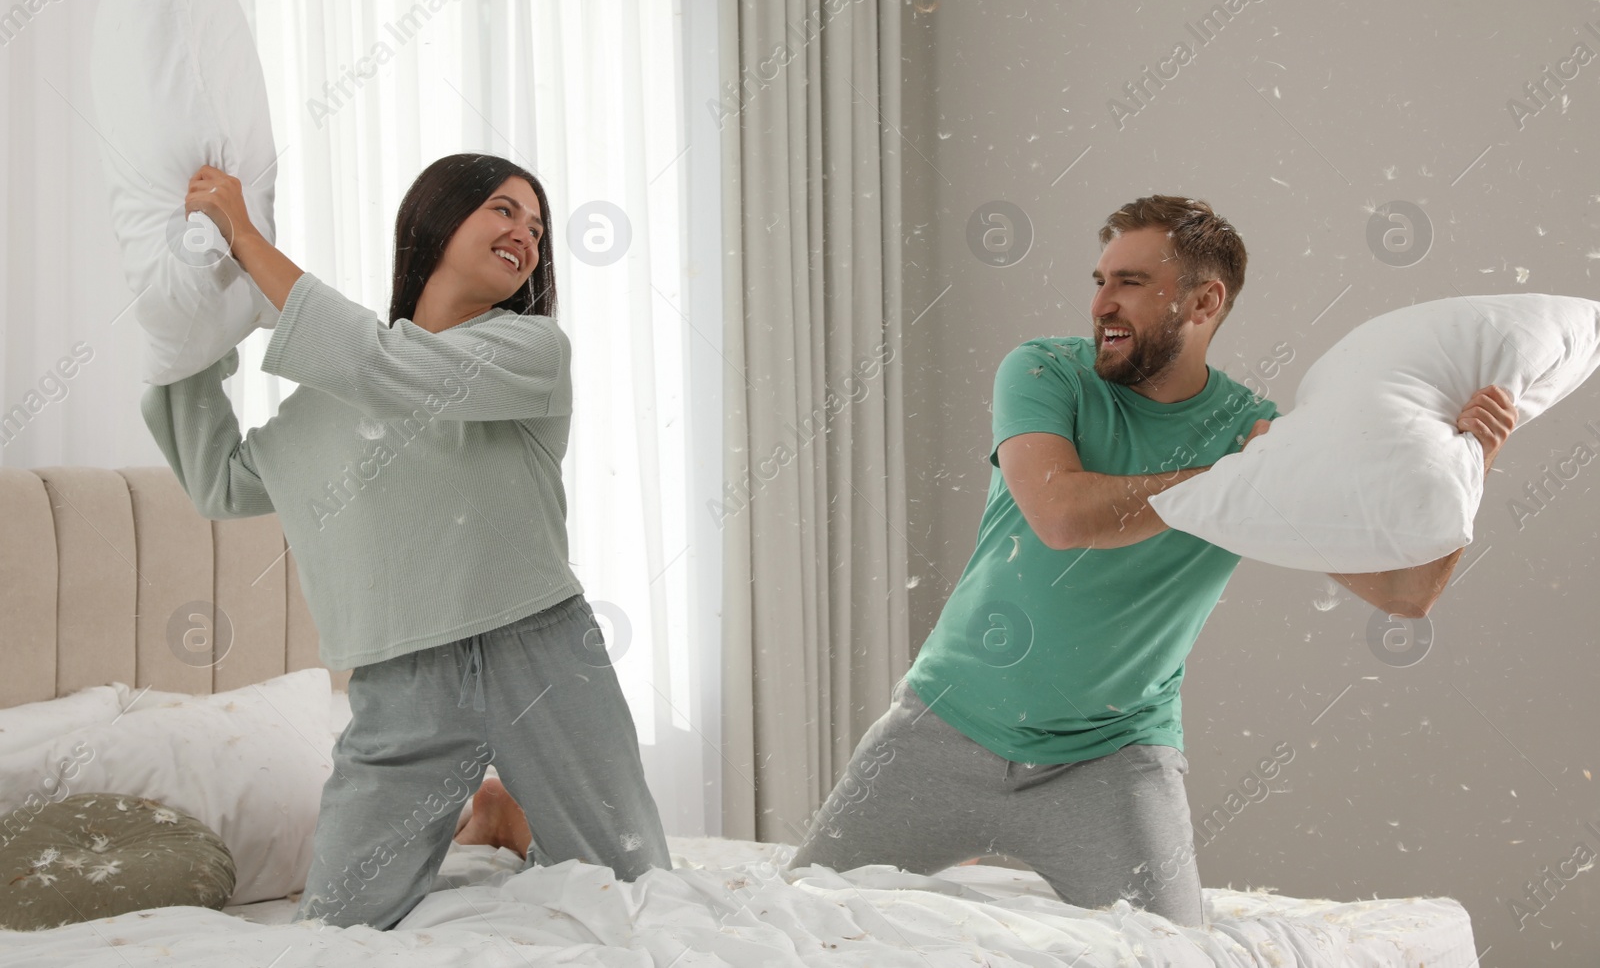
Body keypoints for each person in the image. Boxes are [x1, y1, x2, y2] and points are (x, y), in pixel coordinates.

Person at [787, 195, 1517, 927]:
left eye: (1130, 282)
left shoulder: (1253, 435)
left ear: (1204, 301)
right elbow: (1062, 515)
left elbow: (1403, 592)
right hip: (941, 727)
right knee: (791, 923)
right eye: (1100, 279)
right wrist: (1232, 481)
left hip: (1111, 760)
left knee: (1172, 951)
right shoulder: (1046, 372)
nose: (1102, 301)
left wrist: (1465, 470)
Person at [141, 153, 670, 930]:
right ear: (435, 219)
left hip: (544, 658)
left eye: (537, 224)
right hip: (402, 682)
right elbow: (219, 480)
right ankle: (495, 811)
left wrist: (246, 239)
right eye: (502, 208)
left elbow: (386, 365)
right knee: (338, 924)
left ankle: (512, 813)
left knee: (641, 897)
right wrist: (191, 337)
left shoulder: (530, 354)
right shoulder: (332, 398)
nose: (525, 232)